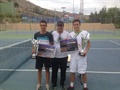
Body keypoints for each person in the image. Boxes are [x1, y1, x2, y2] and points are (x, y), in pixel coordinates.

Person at [67, 19, 91, 90]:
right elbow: (68, 46)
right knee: (72, 71)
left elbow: (89, 44)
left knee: (83, 72)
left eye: (77, 24)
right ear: (73, 25)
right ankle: (71, 86)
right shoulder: (70, 34)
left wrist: (86, 51)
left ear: (80, 24)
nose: (76, 26)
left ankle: (85, 87)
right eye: (75, 24)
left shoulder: (85, 33)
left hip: (82, 56)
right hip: (73, 56)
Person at [32, 20, 54, 90]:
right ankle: (39, 84)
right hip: (39, 55)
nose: (42, 27)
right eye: (41, 25)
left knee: (47, 70)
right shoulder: (36, 35)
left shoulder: (49, 35)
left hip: (47, 56)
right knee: (39, 70)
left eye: (44, 25)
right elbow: (34, 44)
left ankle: (47, 85)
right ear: (40, 26)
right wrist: (33, 50)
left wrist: (50, 53)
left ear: (46, 26)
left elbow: (51, 45)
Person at [51, 21, 71, 90]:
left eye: (61, 25)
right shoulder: (53, 33)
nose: (60, 27)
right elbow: (50, 43)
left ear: (63, 26)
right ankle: (54, 84)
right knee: (54, 71)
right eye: (59, 26)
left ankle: (62, 84)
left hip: (64, 56)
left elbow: (69, 44)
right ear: (57, 26)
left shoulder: (67, 34)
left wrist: (66, 46)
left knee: (63, 71)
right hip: (55, 57)